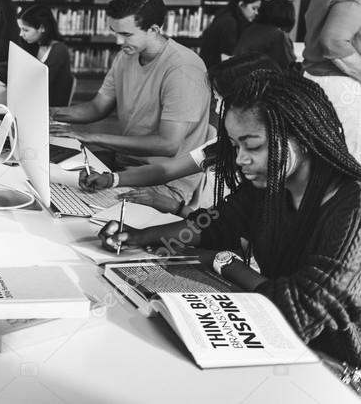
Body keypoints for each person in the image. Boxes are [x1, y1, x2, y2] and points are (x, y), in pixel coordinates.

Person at [98, 71, 361, 377]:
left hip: (337, 370)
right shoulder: (270, 184)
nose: (239, 160)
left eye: (253, 146)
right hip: (285, 353)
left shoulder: (352, 209)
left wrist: (222, 261)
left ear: (302, 137)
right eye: (236, 146)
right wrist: (140, 236)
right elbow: (213, 225)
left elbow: (296, 313)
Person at [51, 0, 211, 209]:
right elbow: (97, 107)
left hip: (163, 183)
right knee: (50, 180)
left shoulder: (183, 69)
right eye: (115, 32)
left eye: (126, 34)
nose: (118, 41)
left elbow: (167, 145)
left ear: (154, 29)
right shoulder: (127, 55)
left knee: (75, 208)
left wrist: (94, 138)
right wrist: (49, 112)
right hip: (123, 165)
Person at [79, 53, 281, 215]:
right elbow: (166, 171)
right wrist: (111, 179)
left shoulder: (267, 168)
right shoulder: (224, 146)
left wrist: (175, 208)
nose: (217, 110)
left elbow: (224, 232)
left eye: (221, 101)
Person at [303, 0, 361, 163]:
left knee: (323, 158)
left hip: (316, 82)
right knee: (350, 160)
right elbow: (334, 41)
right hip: (342, 88)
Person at [17, 3, 73, 106]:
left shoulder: (59, 50)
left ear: (42, 28)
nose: (21, 34)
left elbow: (39, 84)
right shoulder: (34, 45)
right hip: (32, 102)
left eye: (25, 30)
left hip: (49, 109)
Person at [198, 0, 264, 69]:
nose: (256, 13)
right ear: (241, 4)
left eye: (258, 9)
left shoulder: (225, 17)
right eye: (253, 8)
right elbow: (228, 56)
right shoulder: (230, 23)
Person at [233, 0, 297, 70]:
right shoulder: (277, 36)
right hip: (261, 79)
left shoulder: (250, 29)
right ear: (288, 15)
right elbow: (289, 68)